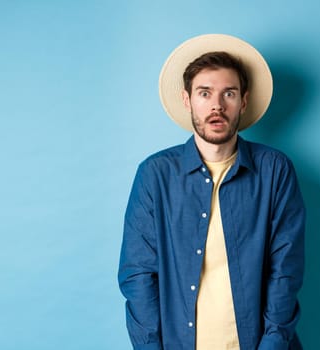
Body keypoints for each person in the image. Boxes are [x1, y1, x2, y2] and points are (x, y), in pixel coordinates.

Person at [118, 34, 306, 350]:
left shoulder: (274, 170)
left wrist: (271, 344)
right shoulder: (155, 174)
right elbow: (138, 274)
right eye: (205, 93)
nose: (217, 105)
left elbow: (285, 269)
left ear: (243, 101)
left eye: (228, 93)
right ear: (187, 99)